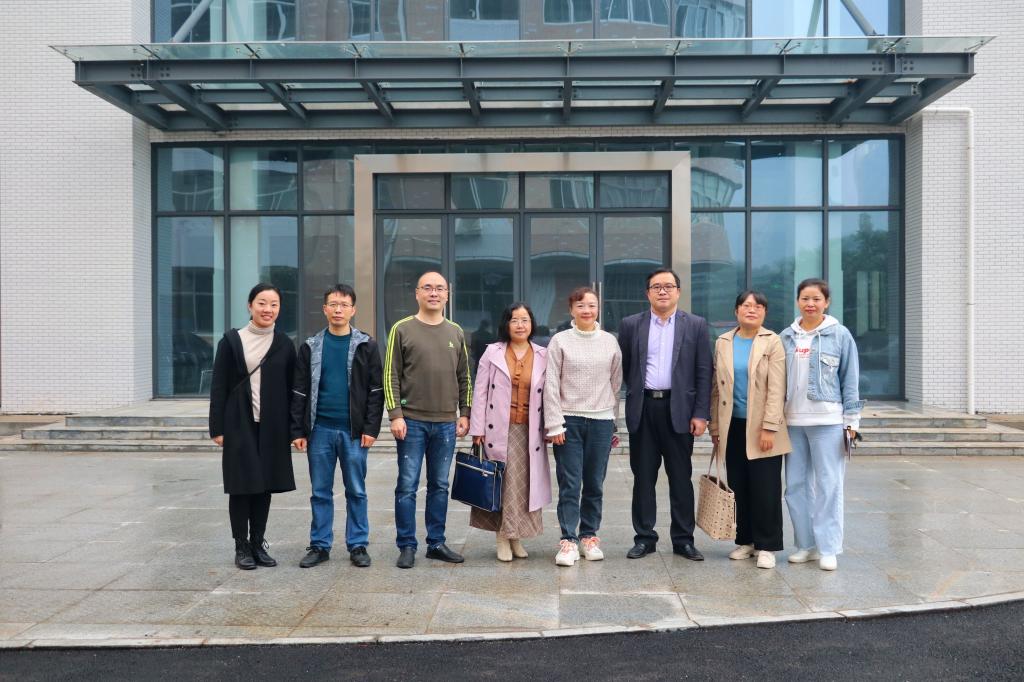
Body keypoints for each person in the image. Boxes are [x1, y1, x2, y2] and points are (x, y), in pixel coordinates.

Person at [617, 268, 712, 562]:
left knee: (680, 478)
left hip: (679, 410)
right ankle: (644, 538)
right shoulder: (631, 325)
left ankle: (683, 540)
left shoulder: (695, 325)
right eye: (656, 286)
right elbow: (625, 367)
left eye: (668, 286)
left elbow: (703, 371)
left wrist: (701, 414)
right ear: (647, 293)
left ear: (678, 292)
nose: (662, 291)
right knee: (643, 478)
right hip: (644, 408)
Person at [290, 284, 384, 569]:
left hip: (353, 432)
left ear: (353, 310)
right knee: (320, 491)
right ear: (325, 309)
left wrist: (371, 428)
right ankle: (320, 545)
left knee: (356, 490)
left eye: (344, 305)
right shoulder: (311, 346)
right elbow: (299, 391)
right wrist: (298, 430)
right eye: (333, 304)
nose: (338, 310)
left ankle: (358, 544)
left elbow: (376, 390)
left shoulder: (366, 345)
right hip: (320, 430)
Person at [385, 271, 472, 569]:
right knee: (407, 485)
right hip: (411, 422)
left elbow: (465, 376)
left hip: (446, 423)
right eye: (428, 288)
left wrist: (465, 412)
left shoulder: (455, 332)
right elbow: (390, 375)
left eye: (439, 288)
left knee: (439, 485)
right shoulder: (401, 329)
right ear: (417, 293)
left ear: (447, 295)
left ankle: (436, 543)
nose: (434, 293)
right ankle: (407, 545)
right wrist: (395, 415)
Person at [209, 283, 296, 570]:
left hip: (272, 426)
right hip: (239, 424)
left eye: (274, 304)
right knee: (241, 486)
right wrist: (217, 428)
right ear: (250, 305)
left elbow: (293, 388)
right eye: (261, 303)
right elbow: (218, 386)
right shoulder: (232, 341)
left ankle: (258, 543)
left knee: (264, 486)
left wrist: (296, 429)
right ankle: (241, 546)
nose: (267, 309)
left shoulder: (284, 344)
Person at [780, 278, 864, 571]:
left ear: (826, 302)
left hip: (828, 421)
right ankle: (806, 545)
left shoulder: (840, 335)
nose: (810, 304)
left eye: (816, 299)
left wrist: (851, 423)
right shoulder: (786, 337)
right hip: (792, 422)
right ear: (797, 301)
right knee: (794, 486)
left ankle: (828, 547)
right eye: (805, 298)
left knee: (829, 485)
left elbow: (850, 380)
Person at [709, 290, 791, 569]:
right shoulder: (723, 341)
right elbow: (715, 387)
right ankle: (745, 540)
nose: (751, 309)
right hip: (732, 424)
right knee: (738, 485)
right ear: (736, 311)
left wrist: (769, 427)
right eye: (746, 305)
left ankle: (767, 545)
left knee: (766, 488)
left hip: (761, 427)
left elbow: (777, 388)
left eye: (758, 306)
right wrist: (715, 426)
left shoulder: (772, 341)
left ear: (765, 312)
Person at [544, 286, 622, 567]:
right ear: (571, 310)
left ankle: (589, 536)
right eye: (580, 305)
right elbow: (551, 383)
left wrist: (612, 421)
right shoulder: (560, 341)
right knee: (570, 483)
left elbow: (615, 383)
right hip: (569, 421)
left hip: (601, 421)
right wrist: (554, 424)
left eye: (591, 305)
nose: (586, 310)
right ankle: (568, 540)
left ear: (598, 308)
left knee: (594, 483)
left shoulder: (610, 342)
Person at [469, 303, 551, 561]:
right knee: (503, 484)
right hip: (499, 429)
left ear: (532, 324)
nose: (520, 325)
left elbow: (550, 394)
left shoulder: (543, 354)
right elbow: (480, 392)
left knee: (523, 486)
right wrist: (477, 428)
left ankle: (515, 536)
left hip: (530, 430)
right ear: (506, 324)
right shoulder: (492, 352)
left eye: (525, 320)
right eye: (514, 320)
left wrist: (552, 426)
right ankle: (503, 537)